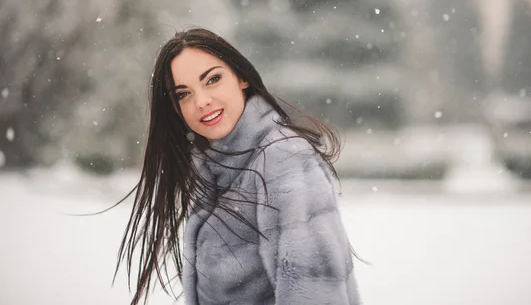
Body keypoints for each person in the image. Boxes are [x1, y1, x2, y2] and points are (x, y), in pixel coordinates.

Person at [116, 28, 361, 305]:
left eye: (213, 79)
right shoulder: (215, 170)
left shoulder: (283, 159)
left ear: (241, 77)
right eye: (183, 94)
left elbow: (314, 293)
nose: (201, 101)